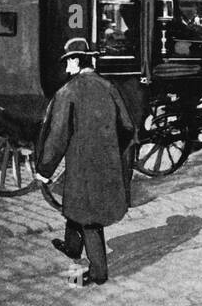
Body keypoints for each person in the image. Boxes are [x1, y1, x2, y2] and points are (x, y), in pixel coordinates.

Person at [36, 38, 136, 286]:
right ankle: (72, 248)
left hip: (82, 165)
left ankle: (98, 272)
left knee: (89, 217)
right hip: (107, 163)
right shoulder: (109, 87)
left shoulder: (67, 92)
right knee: (76, 205)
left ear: (77, 60)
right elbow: (127, 127)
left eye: (69, 60)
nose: (66, 65)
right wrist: (111, 151)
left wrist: (45, 170)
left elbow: (57, 136)